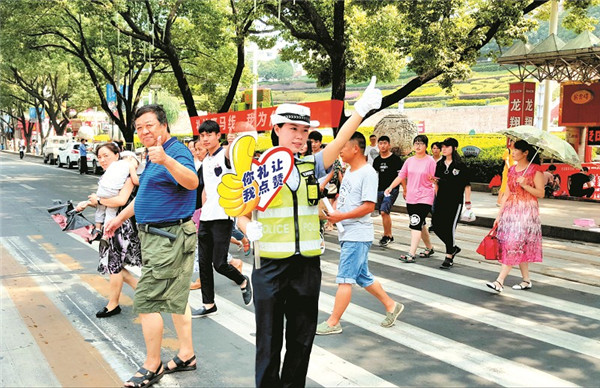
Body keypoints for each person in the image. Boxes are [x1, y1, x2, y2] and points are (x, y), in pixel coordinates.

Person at [237, 78, 382, 388]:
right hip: (269, 267)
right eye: (293, 129)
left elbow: (339, 141)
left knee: (302, 340)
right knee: (268, 340)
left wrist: (359, 111)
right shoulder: (257, 168)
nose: (300, 136)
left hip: (306, 267)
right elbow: (239, 214)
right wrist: (249, 226)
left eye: (304, 131)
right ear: (276, 129)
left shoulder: (310, 165)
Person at [104, 104, 199, 387]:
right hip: (159, 236)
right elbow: (143, 196)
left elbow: (193, 183)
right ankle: (186, 354)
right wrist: (118, 219)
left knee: (147, 300)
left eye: (149, 125)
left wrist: (166, 160)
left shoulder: (175, 151)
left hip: (169, 237)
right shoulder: (152, 154)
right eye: (139, 127)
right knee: (176, 298)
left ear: (163, 124)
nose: (144, 131)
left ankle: (152, 364)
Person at [316, 132, 404, 335]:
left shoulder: (368, 173)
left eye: (342, 148)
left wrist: (341, 216)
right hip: (348, 233)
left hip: (357, 234)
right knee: (362, 276)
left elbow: (369, 206)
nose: (339, 152)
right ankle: (392, 305)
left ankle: (333, 322)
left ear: (355, 148)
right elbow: (344, 197)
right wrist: (334, 211)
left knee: (345, 279)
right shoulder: (349, 171)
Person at [192, 120, 252, 318]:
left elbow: (232, 151)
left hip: (223, 217)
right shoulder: (205, 160)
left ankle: (242, 280)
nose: (206, 138)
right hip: (207, 217)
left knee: (219, 263)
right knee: (203, 264)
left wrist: (233, 142)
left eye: (210, 134)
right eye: (202, 135)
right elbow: (206, 190)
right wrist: (200, 212)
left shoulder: (224, 155)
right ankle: (209, 304)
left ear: (218, 135)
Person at [76, 143, 142, 318]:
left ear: (117, 155)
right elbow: (103, 200)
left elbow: (120, 200)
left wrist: (97, 199)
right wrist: (88, 202)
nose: (102, 160)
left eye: (106, 155)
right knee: (114, 265)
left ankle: (113, 304)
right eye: (99, 157)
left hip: (121, 225)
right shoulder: (109, 176)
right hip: (110, 224)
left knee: (114, 265)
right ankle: (145, 293)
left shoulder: (127, 174)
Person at [486, 140, 544, 293]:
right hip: (511, 210)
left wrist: (525, 185)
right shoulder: (511, 169)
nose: (513, 152)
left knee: (513, 243)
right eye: (512, 149)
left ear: (526, 153)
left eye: (516, 150)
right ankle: (526, 280)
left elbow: (541, 193)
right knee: (518, 245)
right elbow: (506, 193)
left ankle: (499, 281)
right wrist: (499, 215)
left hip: (527, 212)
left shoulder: (535, 170)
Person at [385, 135, 436, 263]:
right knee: (419, 223)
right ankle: (429, 247)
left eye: (421, 143)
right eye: (416, 143)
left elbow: (436, 179)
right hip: (411, 197)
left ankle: (411, 253)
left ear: (425, 146)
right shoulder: (409, 161)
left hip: (425, 197)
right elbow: (401, 176)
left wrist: (434, 183)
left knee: (415, 223)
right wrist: (390, 187)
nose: (418, 146)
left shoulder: (430, 161)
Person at [432, 138, 472, 269]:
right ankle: (453, 247)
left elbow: (467, 185)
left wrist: (468, 202)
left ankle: (449, 255)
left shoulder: (460, 166)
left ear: (454, 148)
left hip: (455, 202)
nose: (443, 149)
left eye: (446, 147)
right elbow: (437, 183)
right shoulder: (439, 165)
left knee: (449, 228)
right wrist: (436, 198)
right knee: (436, 226)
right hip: (441, 200)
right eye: (442, 146)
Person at [92, 151, 139, 234]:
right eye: (137, 163)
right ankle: (106, 234)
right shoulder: (129, 171)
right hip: (113, 195)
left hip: (102, 191)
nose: (137, 166)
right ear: (130, 158)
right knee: (111, 213)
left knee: (100, 209)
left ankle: (98, 228)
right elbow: (120, 201)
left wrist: (97, 200)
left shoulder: (113, 167)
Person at [373, 135, 402, 246]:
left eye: (385, 143)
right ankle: (389, 235)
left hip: (392, 189)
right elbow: (374, 175)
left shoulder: (395, 159)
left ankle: (386, 235)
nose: (383, 145)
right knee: (383, 212)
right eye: (380, 143)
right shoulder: (377, 160)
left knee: (384, 211)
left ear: (389, 145)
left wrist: (405, 190)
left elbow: (401, 175)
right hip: (379, 189)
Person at [497, 139, 514, 206]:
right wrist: (509, 168)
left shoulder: (516, 151)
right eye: (513, 142)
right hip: (508, 170)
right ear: (510, 142)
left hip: (514, 171)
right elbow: (506, 161)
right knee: (504, 185)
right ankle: (499, 200)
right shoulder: (508, 151)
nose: (514, 143)